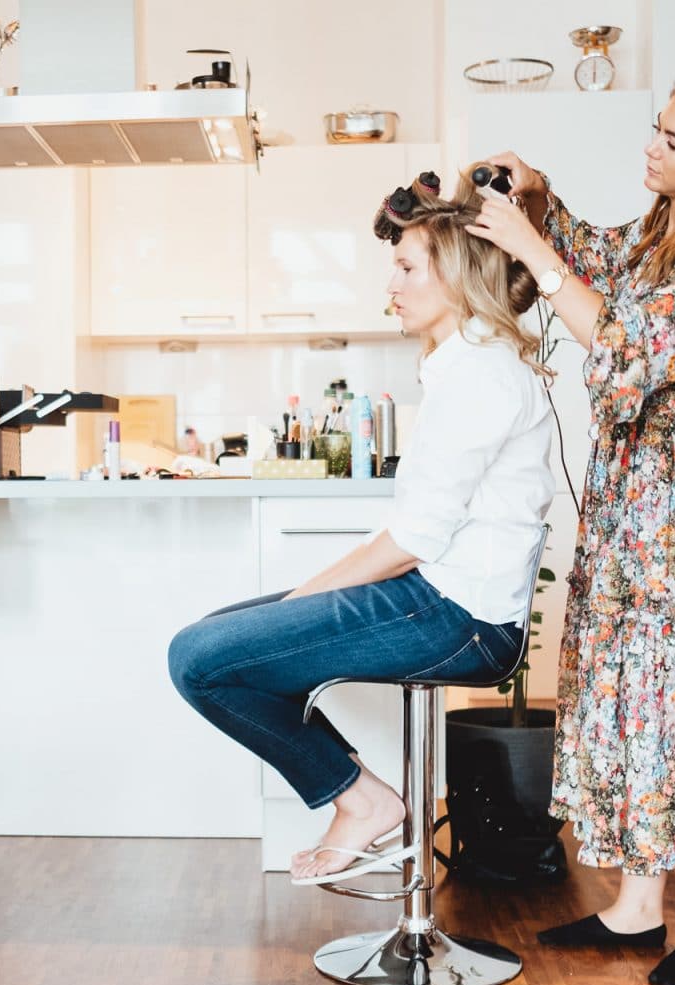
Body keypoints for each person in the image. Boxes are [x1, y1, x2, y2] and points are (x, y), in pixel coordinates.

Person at [466, 68, 675, 985]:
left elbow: (623, 345)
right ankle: (636, 908)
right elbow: (596, 262)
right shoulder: (664, 231)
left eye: (673, 141)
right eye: (653, 131)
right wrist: (538, 196)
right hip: (627, 521)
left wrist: (534, 249)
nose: (650, 150)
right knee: (634, 709)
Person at [168, 169, 556, 884]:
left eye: (408, 267)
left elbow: (413, 541)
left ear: (458, 273)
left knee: (200, 660)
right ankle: (364, 797)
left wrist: (302, 600)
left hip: (455, 617)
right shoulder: (461, 366)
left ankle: (362, 801)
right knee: (215, 646)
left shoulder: (479, 375)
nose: (393, 286)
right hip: (443, 602)